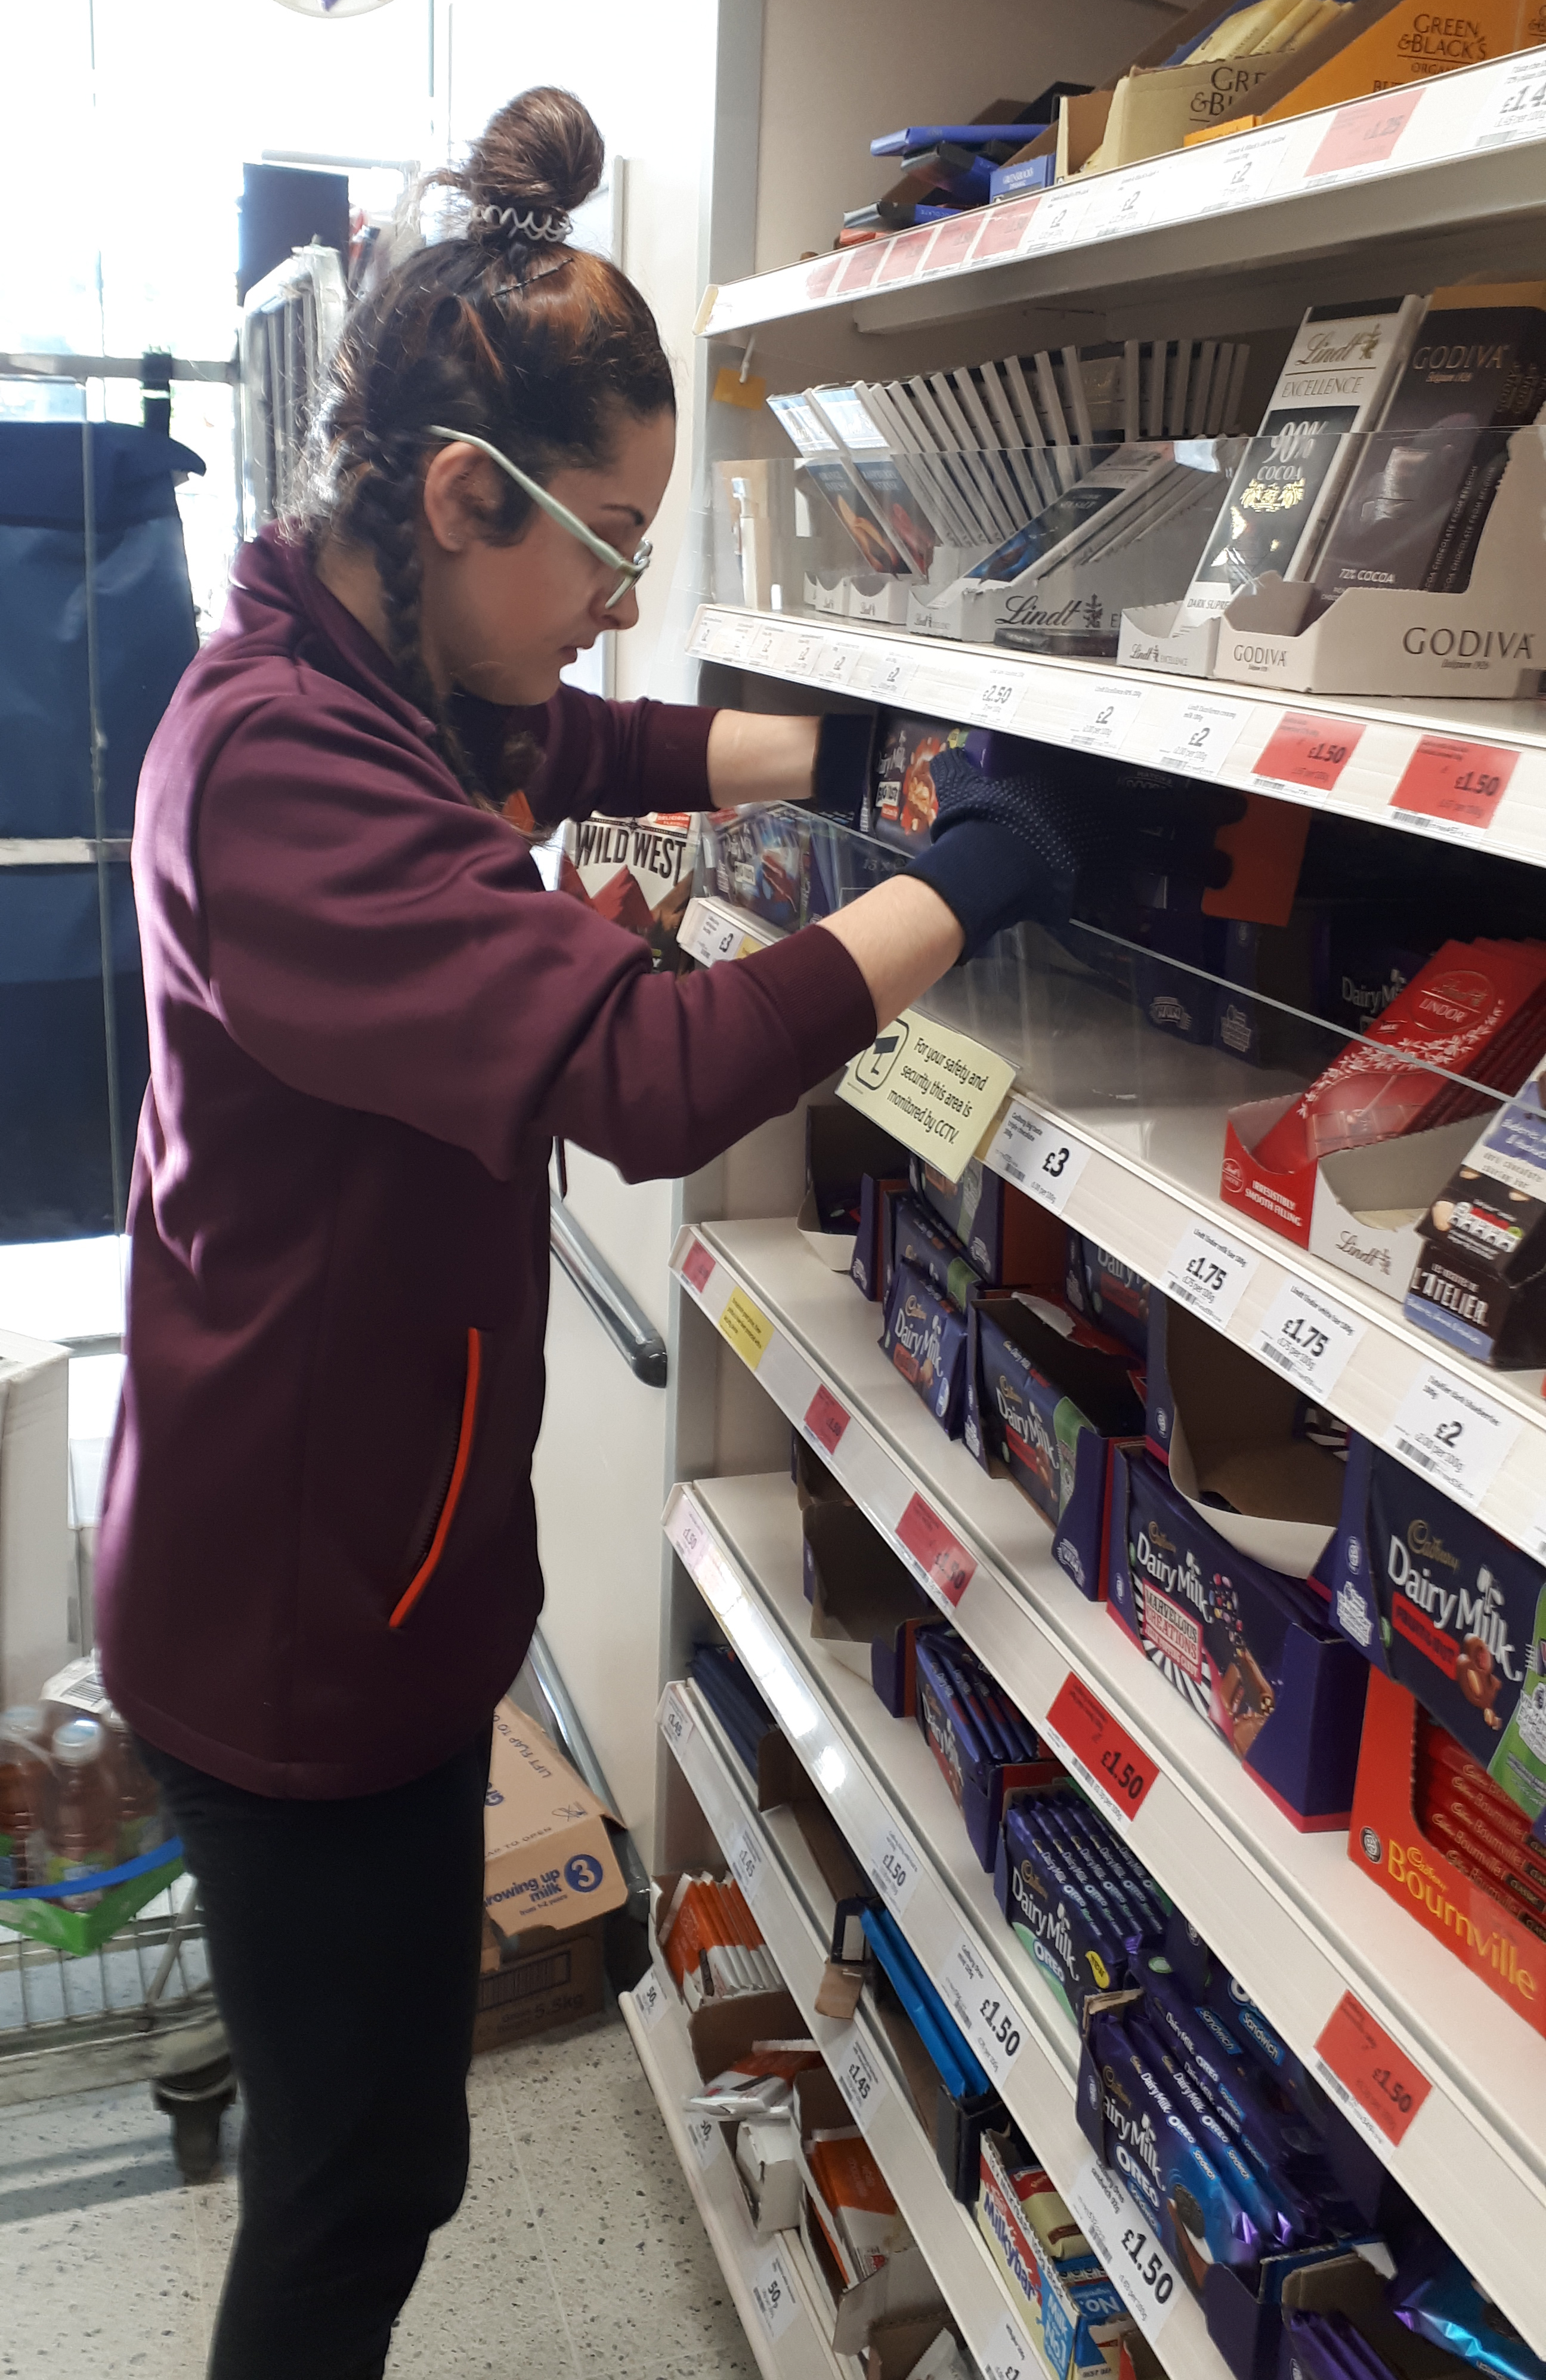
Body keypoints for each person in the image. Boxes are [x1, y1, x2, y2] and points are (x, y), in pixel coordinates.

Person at [95, 85, 1108, 2380]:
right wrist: (978, 881)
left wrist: (839, 760)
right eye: (607, 544)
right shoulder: (278, 767)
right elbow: (650, 1083)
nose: (624, 603)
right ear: (465, 502)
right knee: (360, 2189)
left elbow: (590, 745)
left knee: (376, 2141)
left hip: (379, 1554)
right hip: (295, 1623)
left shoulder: (401, 675)